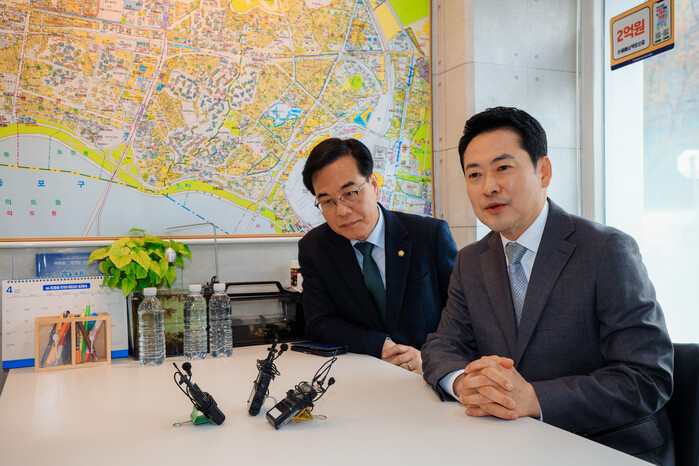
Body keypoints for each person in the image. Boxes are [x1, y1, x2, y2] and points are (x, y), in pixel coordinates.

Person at [421, 107, 674, 464]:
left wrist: (535, 398)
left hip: (608, 448)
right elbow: (442, 345)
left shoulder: (606, 250)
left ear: (543, 171)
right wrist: (464, 383)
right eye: (474, 174)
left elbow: (646, 378)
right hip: (508, 444)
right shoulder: (471, 260)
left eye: (503, 168)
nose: (488, 186)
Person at [298, 138, 457, 374]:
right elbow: (319, 322)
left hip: (432, 372)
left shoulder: (428, 235)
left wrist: (433, 359)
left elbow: (462, 315)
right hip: (364, 376)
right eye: (327, 201)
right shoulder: (314, 248)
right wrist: (380, 345)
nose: (342, 210)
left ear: (373, 185)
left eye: (350, 193)